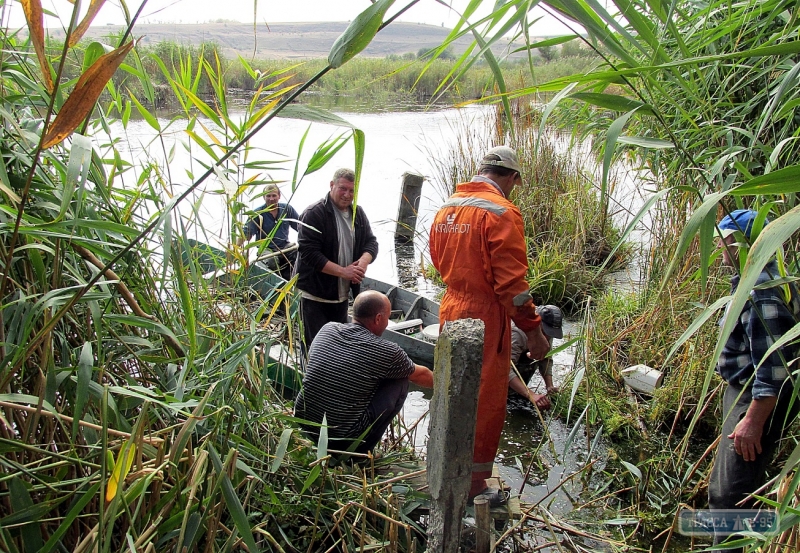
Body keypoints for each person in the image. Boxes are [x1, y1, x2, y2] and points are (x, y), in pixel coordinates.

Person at [429, 145, 551, 506]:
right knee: (485, 400)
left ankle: (445, 465)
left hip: (451, 306)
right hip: (486, 315)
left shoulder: (447, 207)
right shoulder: (502, 212)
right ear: (512, 177)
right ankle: (475, 485)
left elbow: (438, 261)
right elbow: (513, 287)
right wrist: (533, 330)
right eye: (516, 182)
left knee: (450, 389)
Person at [708, 209, 798, 551]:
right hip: (744, 394)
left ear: (743, 243)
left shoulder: (762, 287)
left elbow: (775, 364)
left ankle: (727, 546)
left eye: (724, 242)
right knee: (727, 487)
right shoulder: (753, 279)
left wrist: (752, 421)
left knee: (731, 493)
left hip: (756, 400)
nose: (719, 249)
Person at [294, 291, 434, 454]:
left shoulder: (328, 329)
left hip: (303, 422)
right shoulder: (387, 352)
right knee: (400, 380)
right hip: (341, 440)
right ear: (378, 319)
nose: (388, 324)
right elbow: (421, 375)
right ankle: (361, 452)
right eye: (387, 318)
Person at [295, 168, 379, 347]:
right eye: (343, 189)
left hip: (341, 296)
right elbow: (309, 253)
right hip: (315, 295)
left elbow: (371, 243)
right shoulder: (314, 213)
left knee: (338, 348)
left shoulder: (358, 213)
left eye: (351, 190)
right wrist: (344, 272)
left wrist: (364, 261)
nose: (347, 195)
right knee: (316, 347)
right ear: (332, 185)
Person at [509, 305, 563, 410]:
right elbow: (504, 370)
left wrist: (549, 386)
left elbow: (546, 357)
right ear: (538, 324)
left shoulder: (546, 332)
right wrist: (531, 395)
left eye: (550, 334)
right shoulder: (517, 333)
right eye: (546, 332)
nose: (547, 337)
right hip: (499, 370)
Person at [242, 183, 299, 281]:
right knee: (273, 261)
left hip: (284, 246)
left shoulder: (286, 209)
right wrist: (235, 249)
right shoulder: (257, 213)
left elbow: (301, 227)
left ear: (279, 196)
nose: (271, 199)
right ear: (264, 197)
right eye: (268, 196)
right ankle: (278, 284)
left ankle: (295, 282)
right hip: (266, 249)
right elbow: (246, 234)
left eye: (274, 195)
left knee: (298, 253)